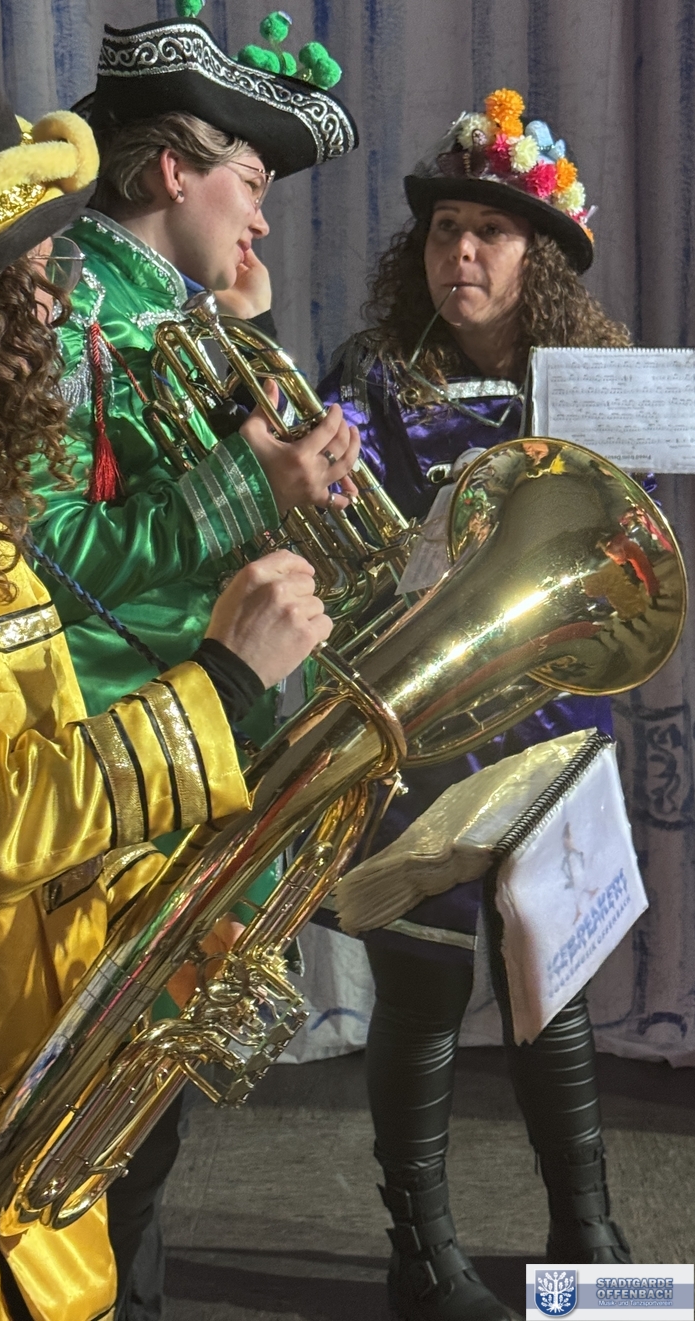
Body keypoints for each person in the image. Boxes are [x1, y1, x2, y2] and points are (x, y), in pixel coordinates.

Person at [0, 71, 331, 1321]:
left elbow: (51, 761)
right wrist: (221, 682)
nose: (62, 303)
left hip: (20, 1108)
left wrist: (172, 926)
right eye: (32, 279)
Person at [27, 0, 361, 1319]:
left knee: (143, 1133)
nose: (261, 218)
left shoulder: (176, 313)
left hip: (197, 758)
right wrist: (248, 483)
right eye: (251, 182)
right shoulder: (60, 308)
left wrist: (267, 406)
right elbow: (45, 556)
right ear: (172, 170)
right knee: (94, 1140)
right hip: (114, 777)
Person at [318, 89, 632, 1321]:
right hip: (420, 733)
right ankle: (422, 1254)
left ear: (535, 255)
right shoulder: (370, 379)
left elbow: (628, 548)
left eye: (489, 231)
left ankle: (588, 1238)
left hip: (551, 722)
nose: (461, 251)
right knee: (423, 990)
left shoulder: (591, 382)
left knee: (557, 978)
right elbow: (339, 532)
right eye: (445, 229)